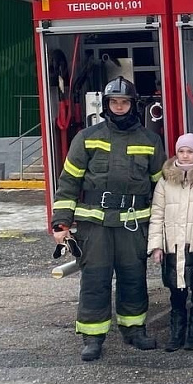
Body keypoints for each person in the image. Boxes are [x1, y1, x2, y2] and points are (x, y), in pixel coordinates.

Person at [51, 77, 165, 362]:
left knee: (133, 279)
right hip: (95, 226)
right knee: (95, 280)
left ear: (133, 105)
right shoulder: (87, 138)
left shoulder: (150, 140)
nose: (119, 106)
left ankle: (134, 330)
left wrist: (162, 227)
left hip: (132, 224)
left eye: (124, 102)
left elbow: (161, 188)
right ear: (106, 105)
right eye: (114, 102)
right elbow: (68, 183)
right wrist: (61, 223)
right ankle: (93, 337)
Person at [147, 133, 193, 351]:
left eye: (190, 151)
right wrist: (156, 245)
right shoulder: (165, 181)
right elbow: (157, 214)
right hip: (172, 246)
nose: (185, 156)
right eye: (181, 151)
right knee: (176, 293)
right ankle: (176, 333)